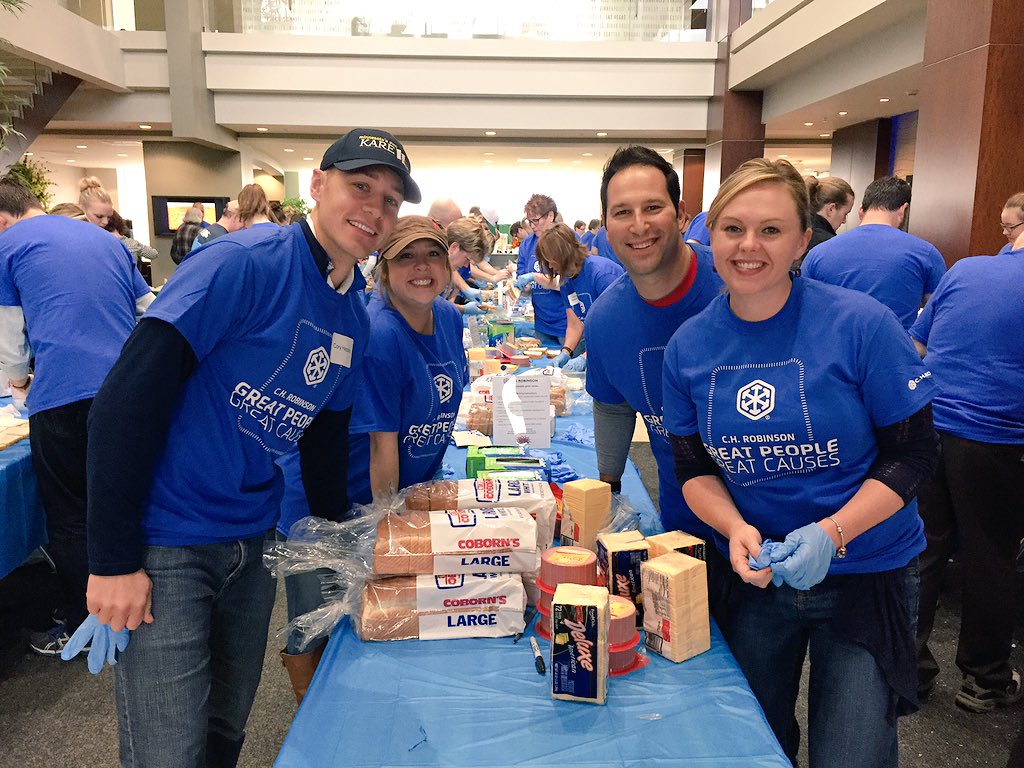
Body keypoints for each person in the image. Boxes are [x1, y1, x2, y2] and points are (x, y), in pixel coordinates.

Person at [80, 127, 420, 767]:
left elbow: (322, 439)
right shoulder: (245, 263)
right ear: (317, 186)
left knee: (223, 733)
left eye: (391, 199)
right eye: (360, 187)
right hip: (166, 543)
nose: (374, 210)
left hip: (252, 541)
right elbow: (125, 401)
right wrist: (111, 558)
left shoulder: (352, 315)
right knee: (166, 752)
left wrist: (339, 548)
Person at [662, 158, 938, 767]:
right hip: (760, 574)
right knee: (753, 745)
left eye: (770, 229)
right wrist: (735, 529)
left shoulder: (861, 325)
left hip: (866, 566)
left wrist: (833, 532)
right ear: (711, 238)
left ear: (802, 240)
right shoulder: (689, 346)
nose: (749, 246)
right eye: (732, 228)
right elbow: (693, 466)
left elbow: (916, 452)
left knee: (851, 753)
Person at [0, 178, 154, 657]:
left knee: (70, 514)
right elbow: (150, 308)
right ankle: (147, 605)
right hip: (130, 390)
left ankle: (86, 621)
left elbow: (9, 338)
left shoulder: (8, 245)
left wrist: (19, 384)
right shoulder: (105, 240)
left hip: (63, 395)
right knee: (131, 496)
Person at [581, 145, 727, 619]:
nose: (639, 226)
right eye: (623, 212)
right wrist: (605, 497)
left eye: (653, 207)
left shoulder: (735, 283)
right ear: (605, 226)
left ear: (681, 213)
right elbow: (612, 405)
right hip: (686, 525)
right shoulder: (606, 321)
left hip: (780, 519)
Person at [910, 209, 1024, 712]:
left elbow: (917, 343)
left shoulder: (967, 269)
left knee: (923, 550)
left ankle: (907, 666)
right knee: (990, 555)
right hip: (998, 438)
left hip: (929, 424)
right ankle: (984, 679)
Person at [801, 176, 946, 330]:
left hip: (833, 349)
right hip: (894, 350)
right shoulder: (926, 254)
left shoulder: (818, 253)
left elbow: (801, 309)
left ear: (861, 210)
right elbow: (939, 314)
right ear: (903, 210)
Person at [536, 222, 623, 371]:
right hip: (600, 348)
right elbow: (575, 323)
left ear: (563, 255)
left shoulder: (602, 275)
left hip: (621, 349)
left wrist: (585, 357)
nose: (550, 267)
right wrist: (566, 352)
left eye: (551, 261)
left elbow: (617, 328)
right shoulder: (567, 280)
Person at [515, 194, 568, 346]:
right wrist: (520, 288)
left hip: (566, 322)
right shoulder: (527, 245)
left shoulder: (566, 240)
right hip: (542, 322)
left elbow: (567, 282)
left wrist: (536, 277)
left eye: (536, 220)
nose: (532, 226)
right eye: (529, 221)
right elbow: (525, 285)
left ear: (550, 216)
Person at [801, 175, 854, 260]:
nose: (844, 221)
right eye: (845, 214)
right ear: (831, 209)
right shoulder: (830, 246)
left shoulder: (796, 232)